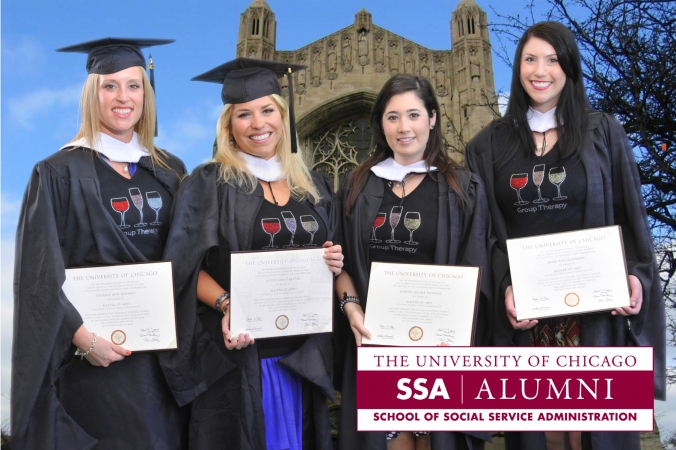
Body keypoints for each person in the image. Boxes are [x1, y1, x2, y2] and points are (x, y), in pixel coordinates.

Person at [465, 21, 666, 450]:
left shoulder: (602, 131)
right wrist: (504, 286)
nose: (541, 70)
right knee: (541, 431)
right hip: (528, 311)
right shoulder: (486, 146)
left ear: (569, 67)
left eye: (553, 59)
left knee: (594, 430)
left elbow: (631, 217)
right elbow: (484, 234)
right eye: (530, 59)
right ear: (518, 67)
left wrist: (634, 274)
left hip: (594, 307)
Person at [11, 38, 188, 449]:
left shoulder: (170, 170)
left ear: (147, 94)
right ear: (93, 95)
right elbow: (38, 273)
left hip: (163, 357)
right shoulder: (58, 171)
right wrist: (83, 338)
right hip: (94, 356)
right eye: (110, 86)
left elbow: (190, 254)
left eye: (134, 85)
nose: (123, 97)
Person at [161, 58, 343, 450]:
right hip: (242, 357)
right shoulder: (209, 182)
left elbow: (333, 253)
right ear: (229, 125)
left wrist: (333, 260)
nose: (258, 124)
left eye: (267, 110)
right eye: (244, 114)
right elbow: (183, 267)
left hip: (301, 356)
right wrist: (227, 304)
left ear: (283, 114)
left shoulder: (314, 185)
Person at [335, 73, 494, 450]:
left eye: (413, 115)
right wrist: (351, 307)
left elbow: (477, 267)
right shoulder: (357, 186)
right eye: (392, 117)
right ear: (381, 125)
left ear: (432, 118)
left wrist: (457, 332)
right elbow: (339, 262)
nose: (403, 127)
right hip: (378, 345)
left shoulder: (463, 188)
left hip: (439, 351)